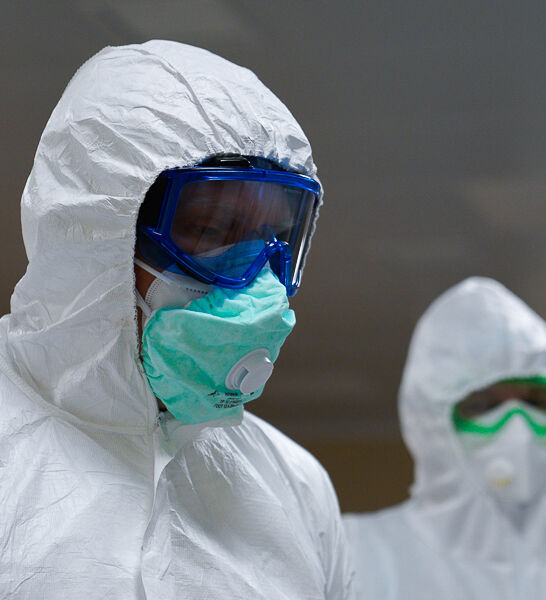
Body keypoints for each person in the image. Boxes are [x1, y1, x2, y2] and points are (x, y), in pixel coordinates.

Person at [0, 41, 352, 598]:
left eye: (277, 239)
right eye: (213, 231)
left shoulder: (296, 487)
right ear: (97, 236)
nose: (258, 284)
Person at [342, 277, 546, 600]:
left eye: (539, 402)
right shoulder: (353, 557)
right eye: (484, 405)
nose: (519, 429)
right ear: (430, 425)